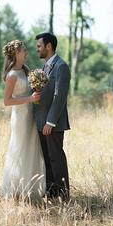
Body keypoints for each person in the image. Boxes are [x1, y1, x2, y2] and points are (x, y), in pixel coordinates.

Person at [0, 40, 46, 199]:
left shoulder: (25, 71)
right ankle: (14, 189)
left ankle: (30, 188)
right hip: (20, 118)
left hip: (30, 115)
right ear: (16, 53)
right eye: (23, 50)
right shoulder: (12, 75)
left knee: (31, 148)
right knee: (19, 149)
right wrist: (29, 99)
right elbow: (7, 101)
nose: (26, 52)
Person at [33, 32, 71, 200]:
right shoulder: (45, 67)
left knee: (56, 157)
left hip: (52, 123)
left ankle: (63, 193)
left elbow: (59, 96)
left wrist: (50, 122)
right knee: (47, 158)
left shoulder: (61, 66)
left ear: (49, 46)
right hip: (41, 121)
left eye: (39, 46)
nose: (38, 50)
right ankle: (51, 191)